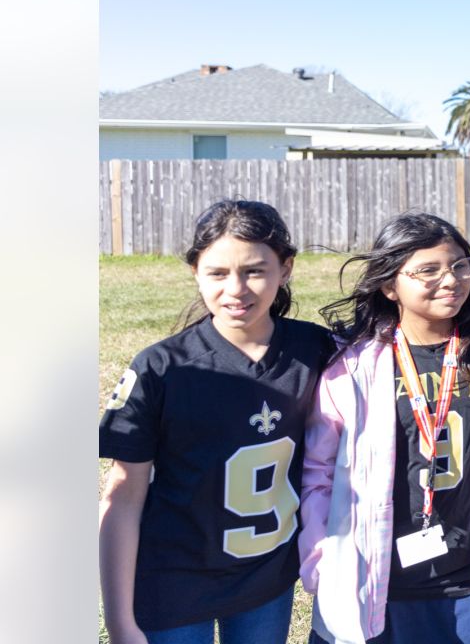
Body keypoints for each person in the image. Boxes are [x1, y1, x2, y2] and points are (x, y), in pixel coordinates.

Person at [300, 212, 470, 644]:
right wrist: (321, 559)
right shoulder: (353, 366)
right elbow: (317, 472)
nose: (450, 280)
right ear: (389, 284)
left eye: (459, 266)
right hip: (375, 582)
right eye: (428, 270)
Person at [98, 200, 335, 644]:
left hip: (266, 579)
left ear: (285, 269)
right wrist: (119, 622)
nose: (237, 289)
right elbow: (123, 496)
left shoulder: (317, 349)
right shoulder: (161, 368)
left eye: (255, 270)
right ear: (195, 272)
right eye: (218, 273)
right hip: (174, 580)